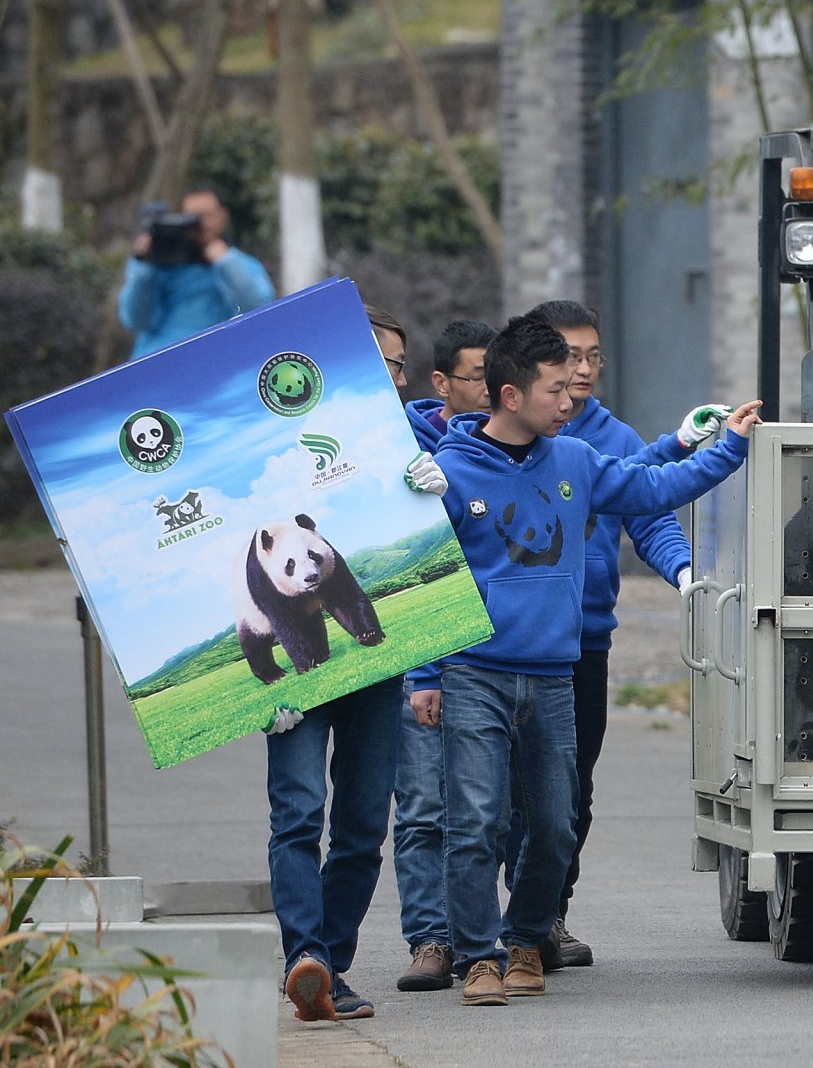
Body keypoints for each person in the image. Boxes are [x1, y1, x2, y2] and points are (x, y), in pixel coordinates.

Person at [405, 315, 761, 1006]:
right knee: (473, 820)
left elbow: (654, 489)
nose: (570, 403)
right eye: (554, 391)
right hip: (473, 672)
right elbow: (427, 581)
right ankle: (478, 956)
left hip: (555, 675)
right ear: (510, 396)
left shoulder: (576, 461)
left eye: (572, 387)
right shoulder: (446, 474)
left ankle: (527, 935)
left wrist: (730, 448)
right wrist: (425, 676)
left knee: (555, 822)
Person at [521, 299, 730, 969]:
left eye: (592, 357)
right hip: (501, 645)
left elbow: (651, 511)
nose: (581, 371)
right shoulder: (504, 435)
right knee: (495, 797)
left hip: (583, 642)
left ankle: (546, 917)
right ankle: (482, 926)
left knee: (570, 789)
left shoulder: (613, 439)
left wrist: (687, 573)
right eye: (567, 357)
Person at [273, 306, 449, 1023]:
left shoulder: (410, 438)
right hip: (297, 670)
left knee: (360, 826)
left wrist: (433, 490)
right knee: (296, 814)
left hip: (381, 661)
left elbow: (474, 456)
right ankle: (302, 957)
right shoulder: (281, 443)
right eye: (380, 364)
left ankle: (327, 967)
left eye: (398, 367)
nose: (393, 378)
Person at [390, 318, 497, 993]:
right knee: (425, 805)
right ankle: (430, 939)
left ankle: (497, 938)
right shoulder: (395, 445)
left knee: (493, 811)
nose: (491, 390)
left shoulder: (523, 446)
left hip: (496, 657)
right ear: (442, 383)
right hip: (424, 651)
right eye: (477, 377)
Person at [119, 186, 276, 359]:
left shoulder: (242, 264)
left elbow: (257, 311)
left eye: (208, 215)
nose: (201, 224)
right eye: (192, 217)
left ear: (224, 215)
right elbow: (135, 320)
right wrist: (144, 267)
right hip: (158, 358)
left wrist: (227, 263)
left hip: (213, 360)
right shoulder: (158, 261)